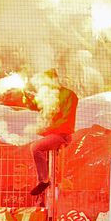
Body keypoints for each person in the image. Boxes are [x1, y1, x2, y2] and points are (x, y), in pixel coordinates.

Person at [28, 69, 79, 197]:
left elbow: (66, 119)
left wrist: (46, 129)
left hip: (61, 136)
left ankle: (44, 181)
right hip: (50, 135)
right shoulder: (46, 94)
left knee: (36, 147)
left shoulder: (68, 95)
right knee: (43, 156)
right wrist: (25, 96)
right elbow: (33, 106)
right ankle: (47, 189)